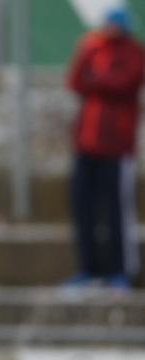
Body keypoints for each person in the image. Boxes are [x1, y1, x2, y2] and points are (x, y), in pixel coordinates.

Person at [65, 6, 145, 290]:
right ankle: (88, 269)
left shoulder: (133, 52)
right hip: (86, 143)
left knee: (116, 210)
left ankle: (119, 270)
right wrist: (95, 73)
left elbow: (123, 83)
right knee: (83, 208)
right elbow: (75, 80)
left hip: (116, 146)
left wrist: (96, 79)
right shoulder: (92, 47)